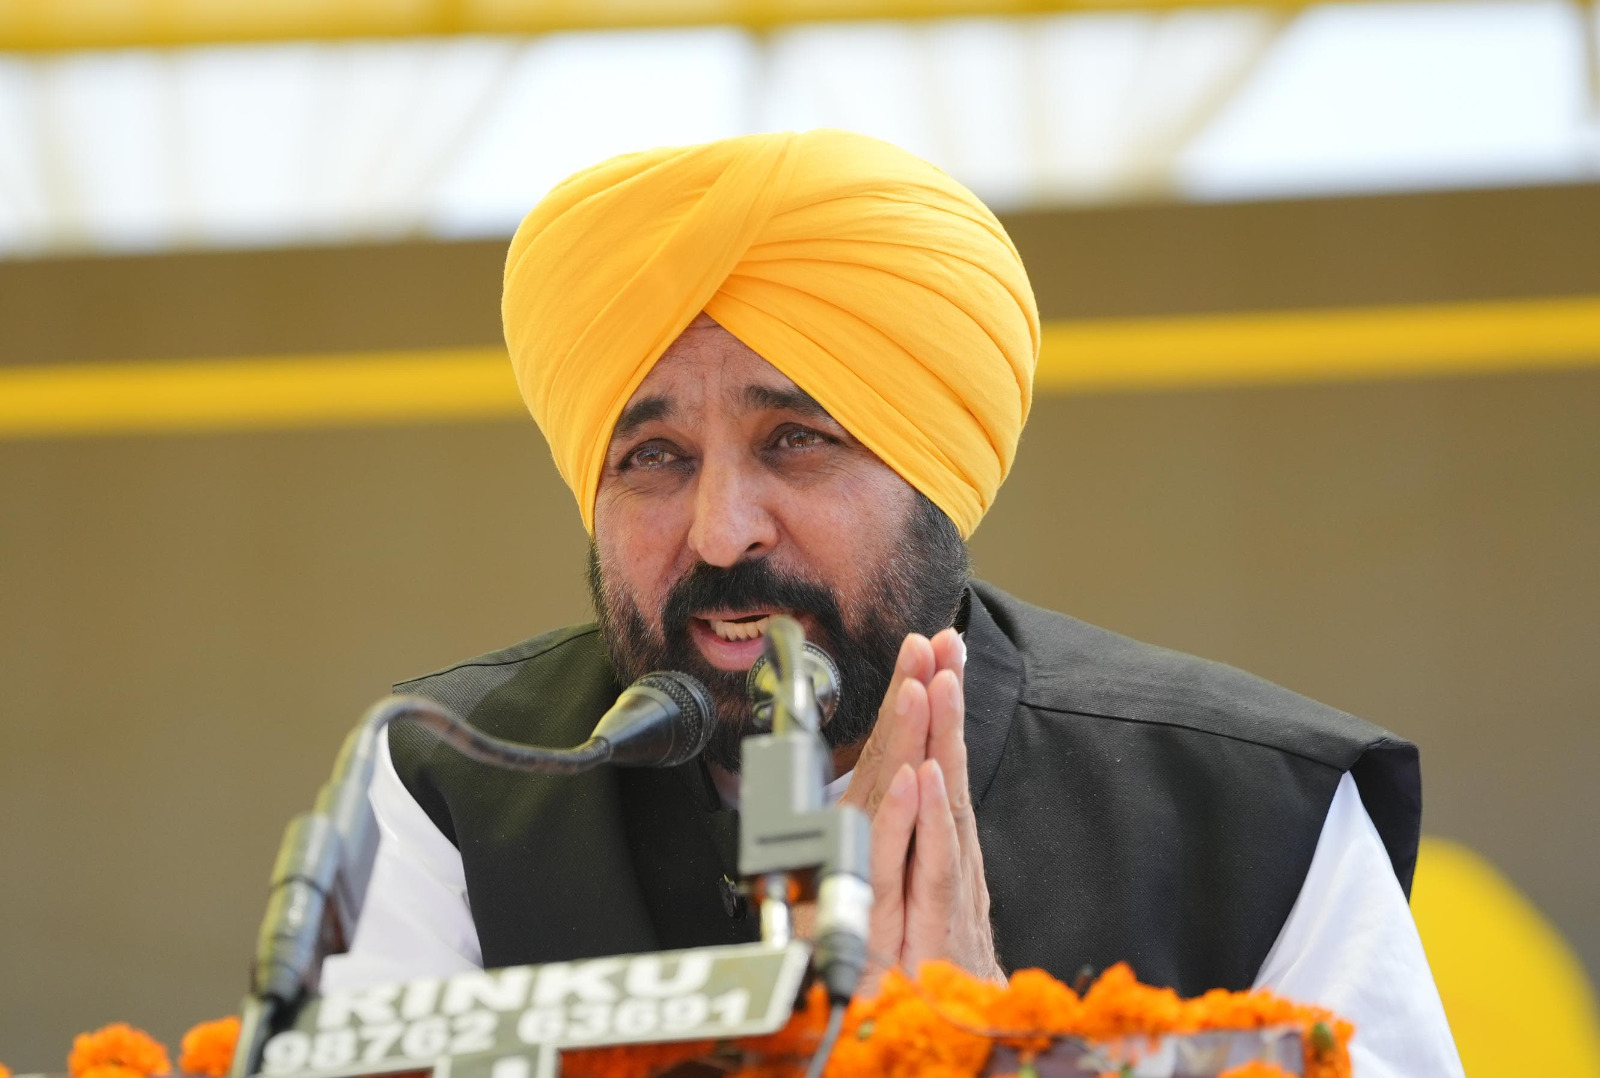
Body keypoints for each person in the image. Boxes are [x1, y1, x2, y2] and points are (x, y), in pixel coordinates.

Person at [321, 130, 1463, 1077]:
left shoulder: (1253, 805)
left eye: (796, 439)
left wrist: (998, 1059)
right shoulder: (461, 778)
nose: (721, 531)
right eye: (655, 456)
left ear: (936, 479)